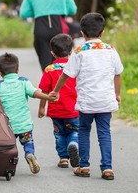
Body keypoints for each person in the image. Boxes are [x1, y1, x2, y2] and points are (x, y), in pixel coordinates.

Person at [51, 13, 124, 180]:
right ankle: (107, 168)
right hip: (105, 100)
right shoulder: (110, 50)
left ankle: (83, 166)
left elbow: (66, 74)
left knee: (84, 131)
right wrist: (117, 94)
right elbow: (118, 74)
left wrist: (56, 90)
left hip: (86, 102)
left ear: (82, 33)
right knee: (104, 133)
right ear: (102, 32)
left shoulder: (79, 51)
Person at [0, 52, 56, 174]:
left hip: (7, 126)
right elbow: (34, 93)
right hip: (24, 125)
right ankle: (30, 154)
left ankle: (10, 163)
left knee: (9, 146)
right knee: (28, 141)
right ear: (18, 69)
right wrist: (48, 97)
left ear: (0, 72)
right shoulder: (23, 82)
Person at [38, 33, 79, 169]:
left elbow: (44, 91)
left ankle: (63, 159)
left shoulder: (49, 69)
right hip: (74, 109)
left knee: (59, 133)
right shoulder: (76, 68)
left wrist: (42, 108)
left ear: (52, 53)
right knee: (74, 131)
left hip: (56, 110)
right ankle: (73, 143)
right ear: (71, 52)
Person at [19, 0, 77, 71]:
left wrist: (37, 11)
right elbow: (73, 9)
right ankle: (61, 82)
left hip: (40, 26)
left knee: (45, 60)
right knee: (61, 58)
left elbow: (23, 13)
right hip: (58, 25)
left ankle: (48, 82)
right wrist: (62, 10)